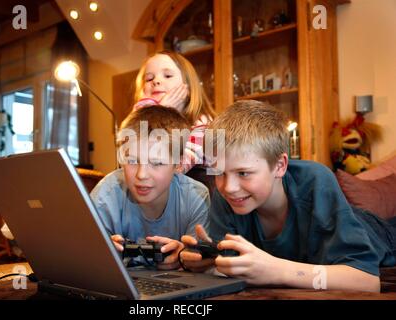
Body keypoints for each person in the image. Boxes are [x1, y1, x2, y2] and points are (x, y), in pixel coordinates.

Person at [180, 100, 396, 292]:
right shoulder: (226, 196)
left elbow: (368, 281)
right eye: (218, 173)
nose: (229, 187)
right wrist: (207, 262)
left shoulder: (315, 180)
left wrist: (275, 269)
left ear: (280, 166)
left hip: (378, 231)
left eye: (243, 173)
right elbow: (231, 267)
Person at [90, 105, 210, 270]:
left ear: (178, 163)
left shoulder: (196, 197)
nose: (142, 175)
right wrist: (99, 254)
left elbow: (201, 261)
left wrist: (184, 258)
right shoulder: (106, 194)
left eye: (157, 163)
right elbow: (83, 256)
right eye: (132, 161)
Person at [132, 51, 217, 183]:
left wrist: (163, 113)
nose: (156, 81)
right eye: (149, 79)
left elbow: (177, 167)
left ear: (189, 87)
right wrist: (158, 111)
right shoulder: (143, 112)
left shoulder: (203, 126)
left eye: (168, 75)